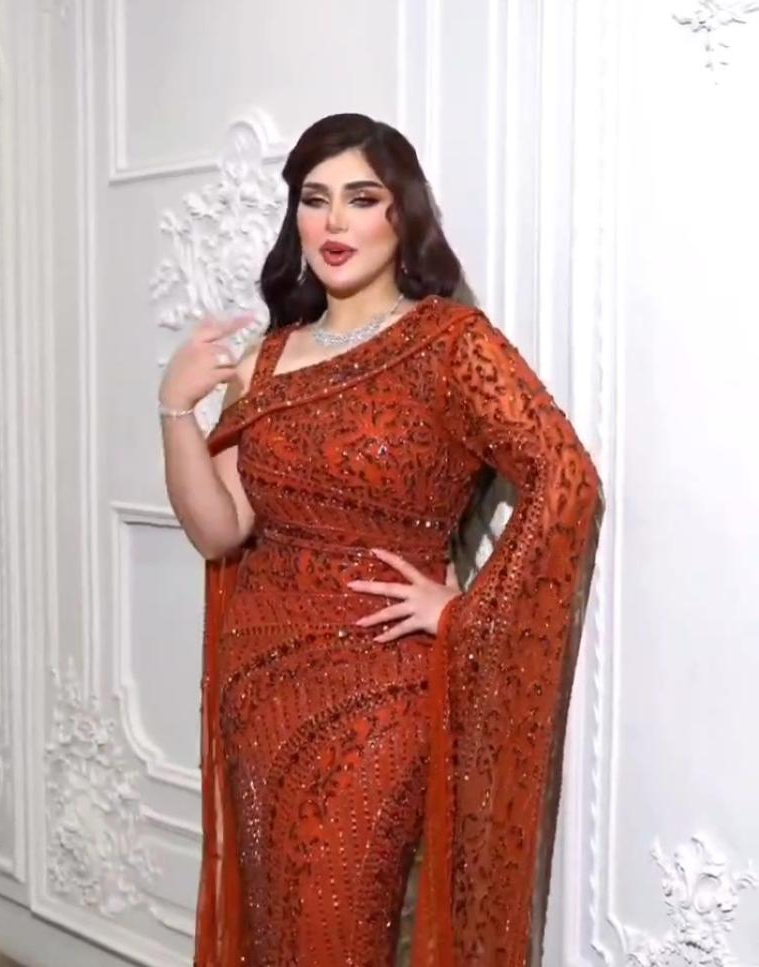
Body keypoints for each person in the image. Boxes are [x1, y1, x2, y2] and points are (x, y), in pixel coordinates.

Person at [159, 112, 603, 967]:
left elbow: (566, 477)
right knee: (279, 931)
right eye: (314, 199)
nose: (333, 222)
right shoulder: (266, 360)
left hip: (380, 693)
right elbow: (220, 528)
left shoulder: (451, 345)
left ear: (403, 213)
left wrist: (465, 611)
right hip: (262, 688)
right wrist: (176, 408)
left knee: (339, 931)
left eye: (361, 199)